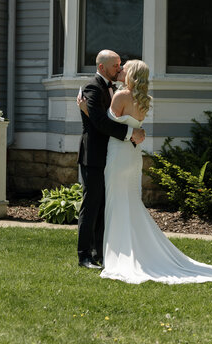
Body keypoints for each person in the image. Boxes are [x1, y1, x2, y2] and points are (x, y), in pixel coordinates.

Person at [83, 59, 212, 284]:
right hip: (133, 157)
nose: (120, 70)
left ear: (132, 74)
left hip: (118, 155)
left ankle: (119, 255)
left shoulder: (120, 96)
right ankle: (127, 250)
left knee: (116, 202)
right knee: (129, 201)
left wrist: (86, 110)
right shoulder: (143, 99)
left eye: (124, 68)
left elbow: (105, 125)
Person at [77, 50, 145, 269]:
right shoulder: (92, 87)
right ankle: (84, 255)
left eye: (120, 64)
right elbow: (99, 122)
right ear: (101, 68)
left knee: (106, 205)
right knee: (92, 204)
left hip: (113, 154)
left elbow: (102, 118)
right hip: (94, 155)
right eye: (115, 65)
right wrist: (130, 133)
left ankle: (100, 251)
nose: (119, 67)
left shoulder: (117, 89)